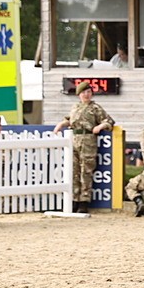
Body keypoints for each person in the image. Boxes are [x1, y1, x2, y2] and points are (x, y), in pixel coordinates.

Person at [52, 81, 115, 214]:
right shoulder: (76, 107)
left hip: (88, 141)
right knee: (74, 171)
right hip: (74, 140)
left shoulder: (95, 108)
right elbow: (71, 120)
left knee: (86, 171)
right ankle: (74, 199)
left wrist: (100, 126)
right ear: (79, 94)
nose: (87, 95)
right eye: (84, 92)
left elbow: (108, 121)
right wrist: (60, 124)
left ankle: (84, 201)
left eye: (89, 92)